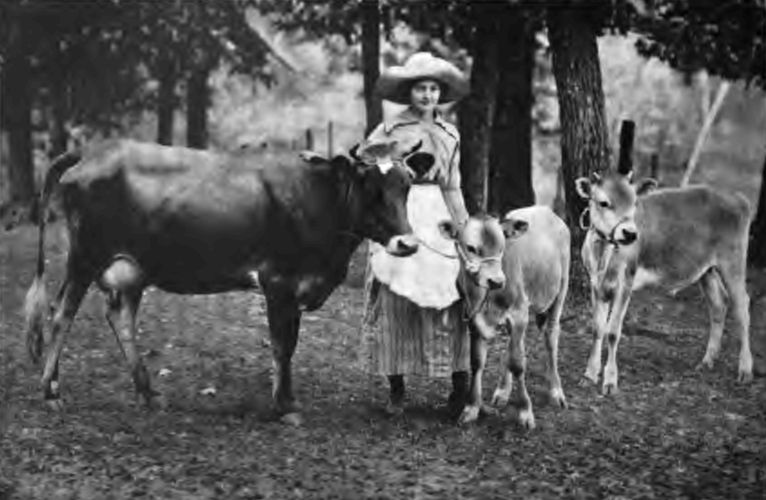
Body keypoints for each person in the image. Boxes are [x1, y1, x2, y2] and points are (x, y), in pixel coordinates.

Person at [359, 51, 471, 416]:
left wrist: (463, 225)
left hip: (438, 213)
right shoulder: (390, 129)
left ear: (441, 94)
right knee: (395, 293)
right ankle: (396, 388)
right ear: (409, 92)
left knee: (452, 291)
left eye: (433, 89)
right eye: (420, 88)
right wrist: (389, 162)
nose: (427, 95)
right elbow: (368, 162)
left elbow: (453, 185)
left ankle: (459, 385)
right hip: (400, 213)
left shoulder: (450, 133)